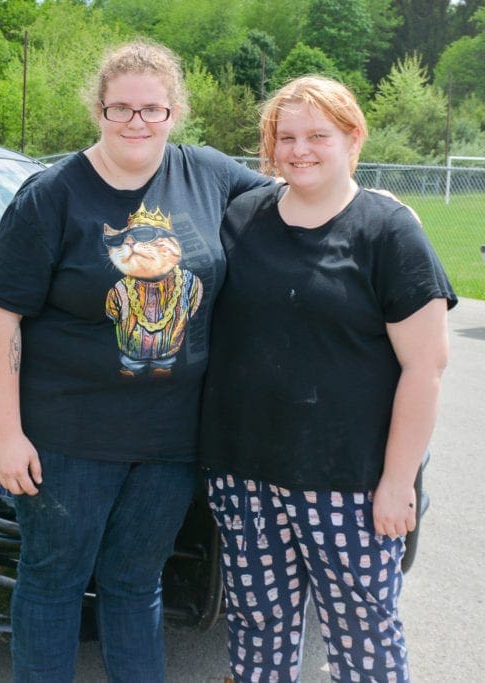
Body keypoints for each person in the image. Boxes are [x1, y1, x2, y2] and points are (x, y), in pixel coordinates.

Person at [0, 39, 272, 682]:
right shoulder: (51, 196)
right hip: (68, 440)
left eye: (152, 109)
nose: (136, 122)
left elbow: (296, 203)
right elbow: (1, 317)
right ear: (99, 111)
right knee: (53, 580)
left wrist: (376, 208)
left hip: (171, 441)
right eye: (121, 109)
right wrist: (9, 432)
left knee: (137, 583)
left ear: (174, 112)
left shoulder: (208, 174)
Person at [199, 75, 457, 682]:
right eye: (286, 137)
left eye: (318, 135)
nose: (300, 150)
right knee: (257, 631)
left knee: (364, 637)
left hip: (350, 485)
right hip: (244, 475)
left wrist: (398, 482)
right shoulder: (241, 218)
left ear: (352, 138)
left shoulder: (388, 231)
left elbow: (426, 368)